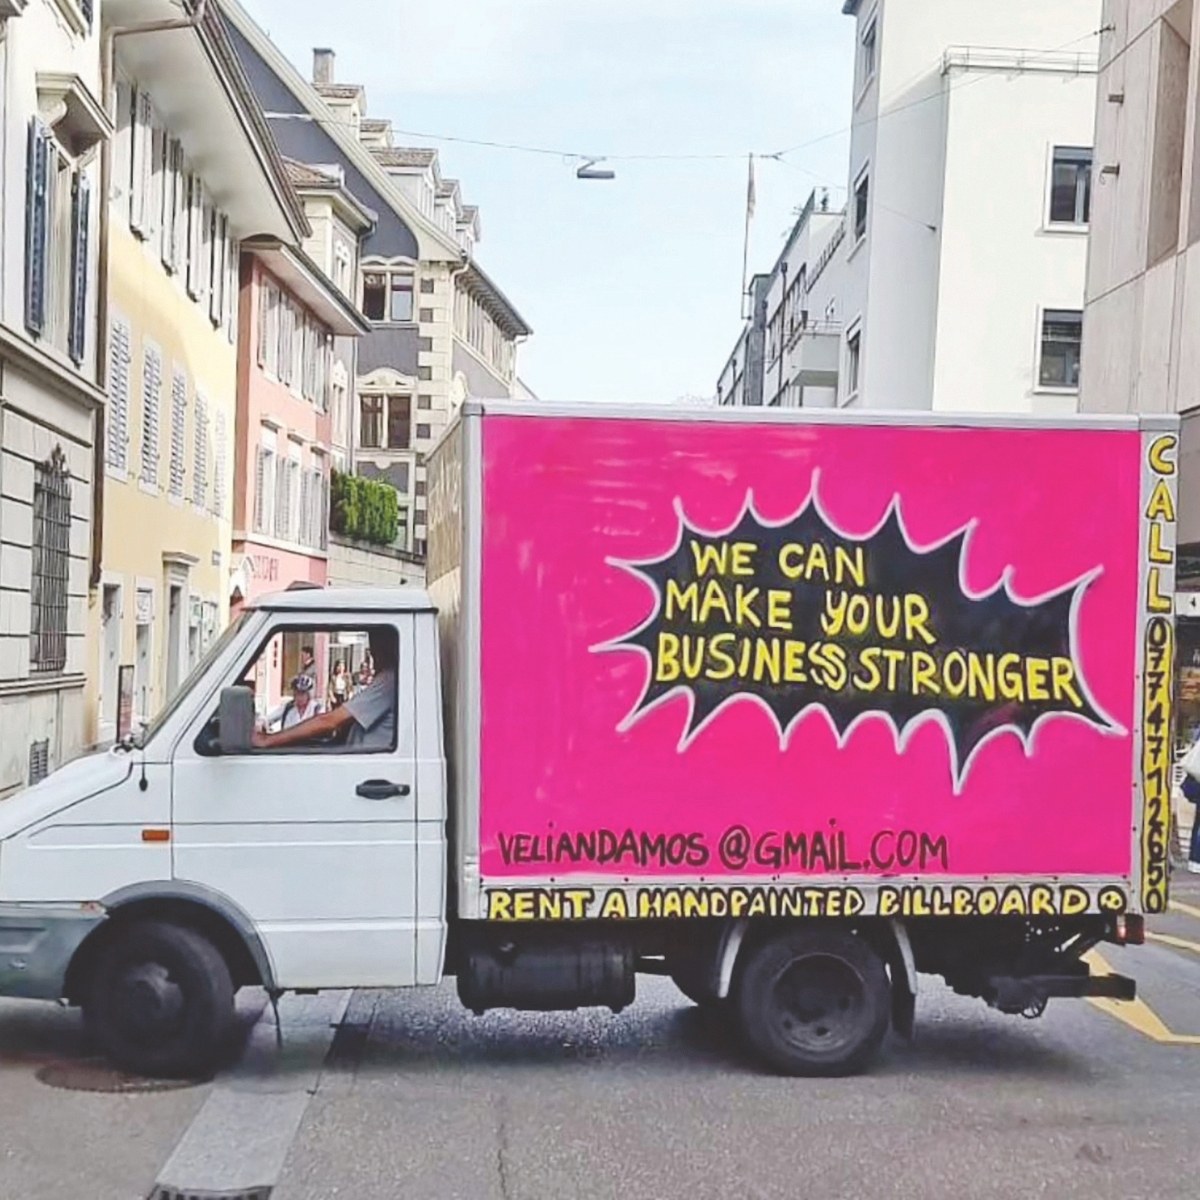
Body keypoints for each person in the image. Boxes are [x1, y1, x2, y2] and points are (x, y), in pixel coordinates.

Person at [252, 628, 397, 751]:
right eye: (297, 693)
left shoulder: (389, 680)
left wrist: (268, 741)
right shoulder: (288, 708)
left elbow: (329, 721)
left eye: (302, 693)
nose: (299, 697)